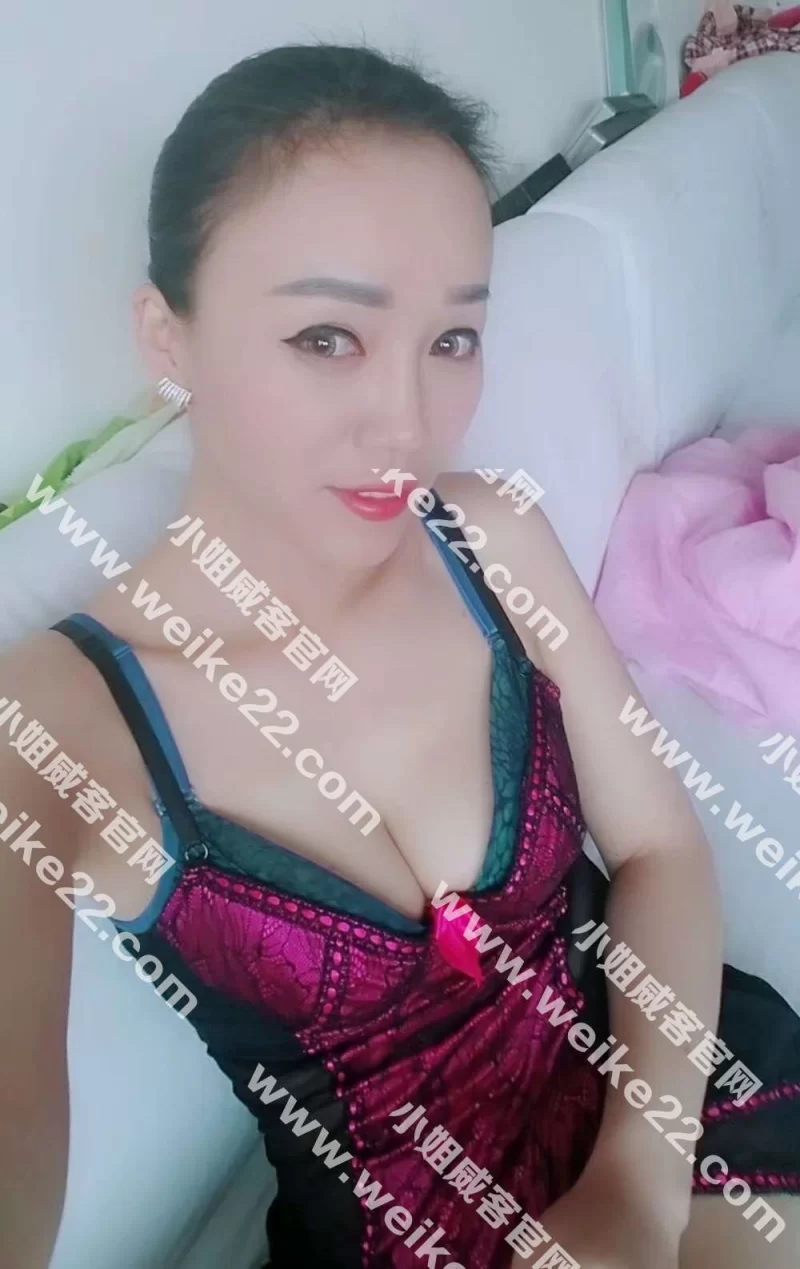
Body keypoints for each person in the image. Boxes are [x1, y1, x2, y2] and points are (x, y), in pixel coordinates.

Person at [2, 40, 798, 1269]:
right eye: (327, 337)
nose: (408, 422)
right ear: (168, 337)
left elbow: (655, 847)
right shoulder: (57, 723)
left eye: (451, 339)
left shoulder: (488, 538)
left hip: (682, 1101)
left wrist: (634, 1190)